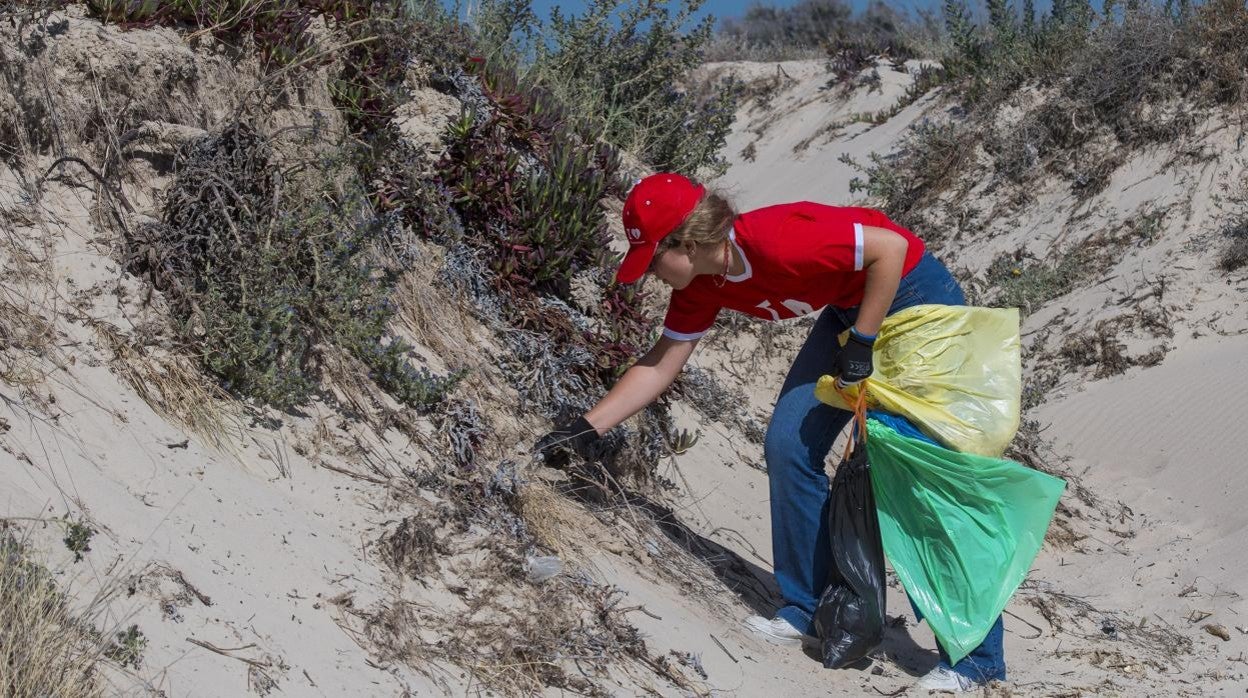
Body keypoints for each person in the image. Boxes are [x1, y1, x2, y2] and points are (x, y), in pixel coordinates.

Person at [535, 173, 1005, 692]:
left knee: (918, 478)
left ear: (687, 245)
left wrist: (864, 342)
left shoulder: (780, 238)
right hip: (853, 311)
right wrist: (585, 428)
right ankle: (807, 607)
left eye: (651, 260)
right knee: (789, 444)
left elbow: (890, 248)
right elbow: (662, 363)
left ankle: (977, 661)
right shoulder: (701, 285)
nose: (649, 273)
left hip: (917, 299)